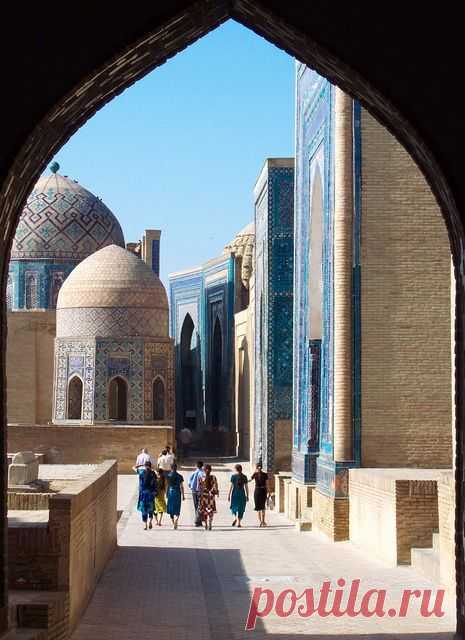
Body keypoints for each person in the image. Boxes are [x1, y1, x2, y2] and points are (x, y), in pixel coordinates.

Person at [137, 461, 157, 530]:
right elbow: (155, 484)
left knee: (144, 510)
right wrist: (154, 492)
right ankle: (150, 521)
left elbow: (140, 485)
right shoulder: (153, 473)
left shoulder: (142, 473)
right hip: (151, 494)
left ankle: (145, 525)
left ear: (145, 466)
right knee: (151, 510)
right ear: (150, 466)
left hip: (143, 494)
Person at [198, 464, 219, 530]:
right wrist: (216, 492)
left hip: (204, 497)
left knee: (204, 511)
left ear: (204, 470)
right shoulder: (214, 477)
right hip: (211, 497)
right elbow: (215, 487)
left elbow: (199, 487)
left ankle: (206, 524)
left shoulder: (201, 477)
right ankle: (210, 522)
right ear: (211, 470)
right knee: (211, 510)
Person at [228, 463, 249, 527]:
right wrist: (247, 495)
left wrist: (229, 495)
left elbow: (231, 486)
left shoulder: (233, 477)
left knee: (234, 506)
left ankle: (234, 518)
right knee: (241, 508)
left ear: (236, 469)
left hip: (234, 493)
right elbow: (246, 487)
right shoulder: (244, 477)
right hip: (242, 493)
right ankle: (239, 523)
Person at [166, 463, 185, 529]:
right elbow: (181, 487)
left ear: (171, 468)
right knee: (177, 507)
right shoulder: (180, 476)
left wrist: (167, 493)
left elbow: (167, 486)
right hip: (177, 492)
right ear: (176, 468)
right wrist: (183, 495)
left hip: (171, 492)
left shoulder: (168, 475)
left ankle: (173, 522)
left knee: (171, 508)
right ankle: (176, 519)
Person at [250, 462, 270, 527]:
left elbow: (249, 480)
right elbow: (267, 484)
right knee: (263, 507)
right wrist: (269, 492)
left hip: (257, 491)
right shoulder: (265, 474)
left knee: (258, 508)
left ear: (256, 467)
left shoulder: (255, 474)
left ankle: (261, 521)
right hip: (263, 491)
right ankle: (263, 521)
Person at [188, 460, 205, 527]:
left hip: (193, 491)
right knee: (199, 506)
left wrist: (191, 486)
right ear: (202, 466)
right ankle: (197, 520)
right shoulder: (202, 473)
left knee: (196, 506)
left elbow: (189, 481)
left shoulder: (193, 473)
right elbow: (203, 482)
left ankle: (199, 521)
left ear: (196, 465)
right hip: (200, 491)